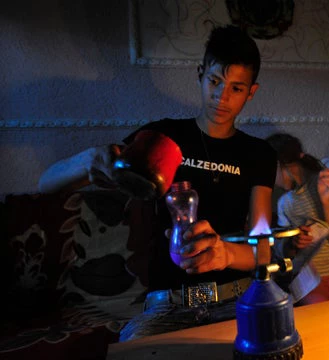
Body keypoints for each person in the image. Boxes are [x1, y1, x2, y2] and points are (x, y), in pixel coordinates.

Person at [38, 25, 277, 339]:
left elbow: (264, 251)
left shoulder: (258, 154)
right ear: (200, 74)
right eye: (215, 82)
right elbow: (46, 186)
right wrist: (86, 161)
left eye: (236, 88)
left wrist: (226, 253)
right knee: (131, 350)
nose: (221, 97)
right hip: (169, 306)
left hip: (236, 299)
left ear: (251, 92)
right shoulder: (163, 137)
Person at [266, 133, 329, 305]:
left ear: (279, 165)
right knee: (321, 311)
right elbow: (285, 254)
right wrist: (295, 242)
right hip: (310, 278)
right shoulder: (285, 202)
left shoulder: (325, 180)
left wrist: (325, 201)